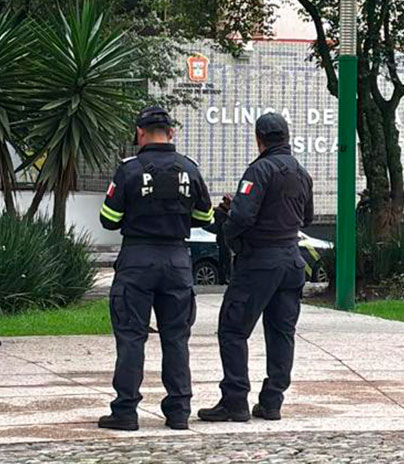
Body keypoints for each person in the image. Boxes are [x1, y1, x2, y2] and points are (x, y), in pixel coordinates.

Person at [97, 106, 214, 431]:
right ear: (172, 133)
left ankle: (125, 412)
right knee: (176, 338)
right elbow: (206, 218)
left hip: (137, 259)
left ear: (140, 133)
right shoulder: (189, 169)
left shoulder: (129, 170)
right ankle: (178, 412)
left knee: (132, 337)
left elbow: (109, 219)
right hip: (177, 260)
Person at [198, 112, 313, 423]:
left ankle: (235, 401)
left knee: (233, 329)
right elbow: (308, 218)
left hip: (260, 262)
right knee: (281, 332)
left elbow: (243, 217)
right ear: (286, 138)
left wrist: (228, 228)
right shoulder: (302, 174)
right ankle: (272, 401)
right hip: (292, 261)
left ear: (259, 139)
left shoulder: (259, 170)